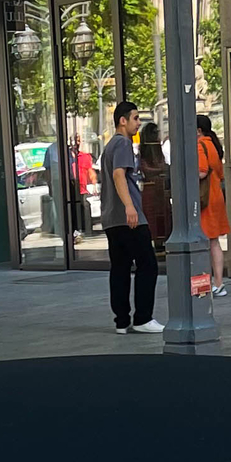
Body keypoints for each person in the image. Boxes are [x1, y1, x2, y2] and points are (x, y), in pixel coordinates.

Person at [101, 100, 162, 335]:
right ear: (122, 120)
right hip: (128, 218)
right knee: (148, 264)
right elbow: (119, 175)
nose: (139, 123)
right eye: (136, 118)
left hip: (111, 219)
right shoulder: (123, 143)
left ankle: (121, 320)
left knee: (120, 267)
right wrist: (130, 207)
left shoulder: (110, 146)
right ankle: (143, 317)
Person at [195, 114, 229, 294]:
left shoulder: (199, 145)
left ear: (198, 130)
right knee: (214, 241)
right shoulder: (214, 145)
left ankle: (204, 284)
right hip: (216, 197)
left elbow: (201, 171)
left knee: (202, 240)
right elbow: (220, 174)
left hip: (204, 198)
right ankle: (218, 282)